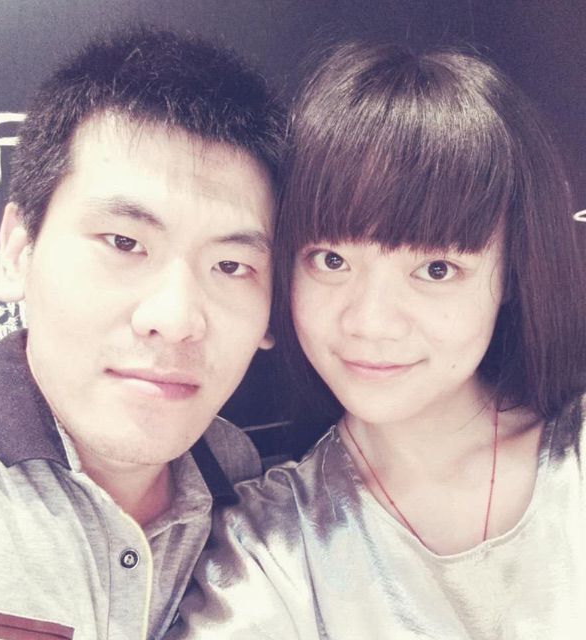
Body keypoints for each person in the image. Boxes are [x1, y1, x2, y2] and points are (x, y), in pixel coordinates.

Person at [169, 42, 586, 639]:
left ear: (512, 276)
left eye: (436, 269)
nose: (371, 322)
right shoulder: (267, 548)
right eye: (331, 259)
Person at [0, 28, 283, 639]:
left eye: (232, 266)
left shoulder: (248, 490)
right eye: (124, 242)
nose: (176, 319)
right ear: (17, 252)